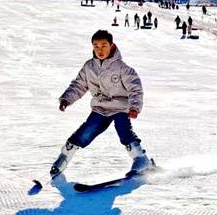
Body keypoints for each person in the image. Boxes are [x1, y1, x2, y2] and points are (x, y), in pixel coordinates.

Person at [50, 30, 151, 178]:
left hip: (120, 108)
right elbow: (78, 85)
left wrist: (134, 107)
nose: (100, 50)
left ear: (112, 45)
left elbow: (135, 88)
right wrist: (66, 99)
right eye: (96, 46)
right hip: (100, 108)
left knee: (123, 130)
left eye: (104, 45)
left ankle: (141, 159)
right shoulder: (89, 67)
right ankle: (64, 157)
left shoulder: (122, 68)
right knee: (85, 132)